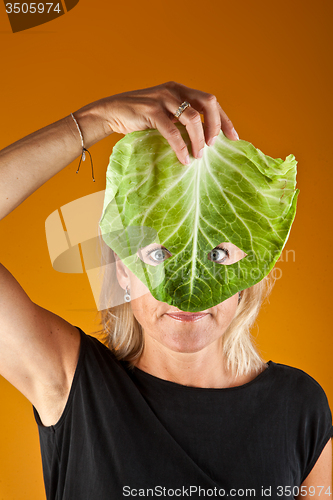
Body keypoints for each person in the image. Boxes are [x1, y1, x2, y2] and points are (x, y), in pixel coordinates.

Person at [0, 81, 332, 500]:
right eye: (158, 255)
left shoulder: (300, 408)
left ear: (252, 268)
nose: (186, 288)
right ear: (122, 268)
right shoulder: (70, 383)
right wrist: (94, 120)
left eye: (217, 253)